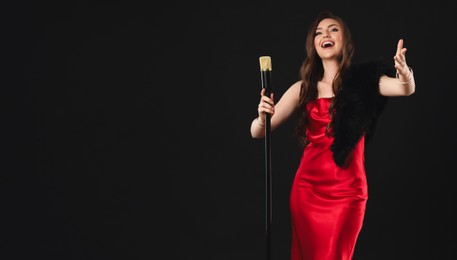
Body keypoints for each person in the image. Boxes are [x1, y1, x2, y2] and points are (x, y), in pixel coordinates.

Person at [250, 10, 415, 260]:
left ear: (345, 41)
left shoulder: (363, 82)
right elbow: (258, 132)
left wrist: (405, 73)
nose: (325, 34)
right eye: (319, 32)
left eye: (333, 29)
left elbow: (405, 89)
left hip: (348, 191)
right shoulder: (303, 89)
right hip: (307, 191)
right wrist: (262, 117)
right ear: (314, 45)